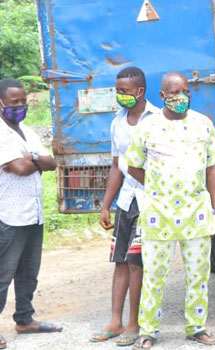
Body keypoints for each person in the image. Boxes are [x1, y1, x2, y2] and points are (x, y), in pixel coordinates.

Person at [125, 71, 215, 348]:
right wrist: (158, 188)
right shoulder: (147, 127)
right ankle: (149, 331)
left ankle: (196, 327)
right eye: (174, 93)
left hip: (197, 212)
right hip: (159, 214)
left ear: (190, 93)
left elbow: (212, 165)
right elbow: (133, 165)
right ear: (162, 96)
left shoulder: (203, 124)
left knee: (198, 274)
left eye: (185, 92)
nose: (180, 97)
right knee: (154, 275)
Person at [90, 67, 159, 345]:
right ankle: (115, 322)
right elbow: (117, 166)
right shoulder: (117, 122)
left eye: (125, 92)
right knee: (120, 260)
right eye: (118, 91)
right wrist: (107, 205)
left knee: (136, 263)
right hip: (126, 201)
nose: (120, 96)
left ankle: (135, 323)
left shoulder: (156, 120)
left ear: (140, 91)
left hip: (149, 200)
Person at [0, 79, 61, 349]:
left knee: (28, 272)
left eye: (23, 101)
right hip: (8, 215)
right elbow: (19, 167)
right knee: (3, 273)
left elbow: (51, 162)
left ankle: (25, 319)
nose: (21, 106)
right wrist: (33, 161)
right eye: (15, 102)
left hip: (33, 214)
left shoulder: (27, 131)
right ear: (1, 103)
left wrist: (31, 157)